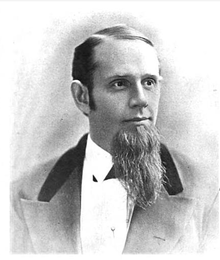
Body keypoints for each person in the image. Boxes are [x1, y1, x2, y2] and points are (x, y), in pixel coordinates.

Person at [11, 24, 218, 254]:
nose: (141, 100)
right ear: (82, 97)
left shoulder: (208, 194)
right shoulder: (22, 195)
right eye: (120, 84)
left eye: (149, 82)